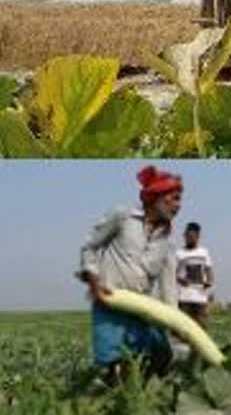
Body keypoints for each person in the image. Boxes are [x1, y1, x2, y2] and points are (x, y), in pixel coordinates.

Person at [76, 165, 182, 385]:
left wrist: (175, 320)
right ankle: (113, 394)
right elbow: (90, 246)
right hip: (110, 300)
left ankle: (141, 392)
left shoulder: (166, 245)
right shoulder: (122, 217)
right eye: (173, 199)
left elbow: (169, 288)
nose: (178, 205)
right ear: (157, 198)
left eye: (179, 200)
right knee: (111, 360)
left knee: (154, 354)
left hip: (141, 307)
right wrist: (93, 279)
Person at [176, 222, 214, 329]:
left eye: (192, 236)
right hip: (184, 298)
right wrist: (180, 279)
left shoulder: (204, 252)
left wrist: (209, 282)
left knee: (201, 329)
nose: (189, 239)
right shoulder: (179, 253)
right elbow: (173, 273)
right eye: (187, 236)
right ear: (184, 236)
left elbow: (209, 270)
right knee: (183, 329)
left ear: (198, 236)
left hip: (201, 298)